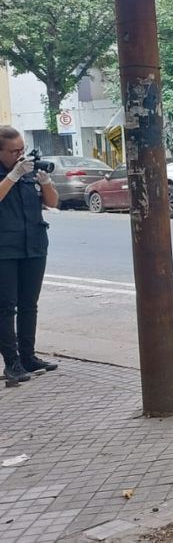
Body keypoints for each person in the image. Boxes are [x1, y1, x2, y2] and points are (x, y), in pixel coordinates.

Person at [0, 126, 59, 384]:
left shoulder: (28, 170)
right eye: (14, 151)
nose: (20, 155)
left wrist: (45, 181)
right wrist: (13, 175)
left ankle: (28, 356)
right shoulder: (11, 174)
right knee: (5, 308)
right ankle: (11, 363)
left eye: (22, 150)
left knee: (29, 305)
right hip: (4, 249)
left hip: (34, 245)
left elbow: (53, 202)